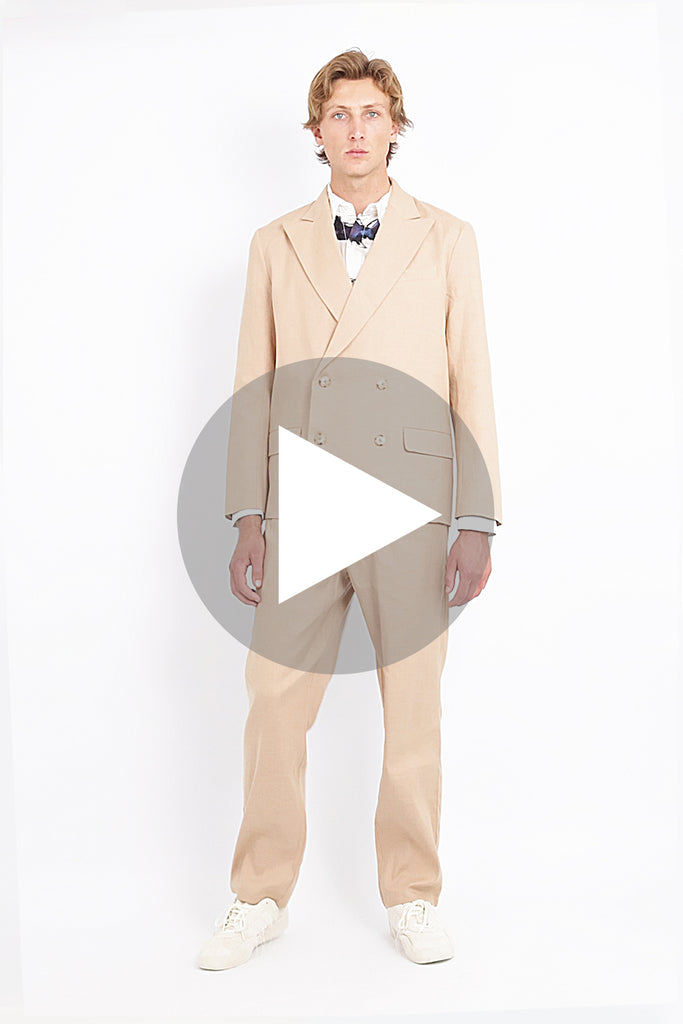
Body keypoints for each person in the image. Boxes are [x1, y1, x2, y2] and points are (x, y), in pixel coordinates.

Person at [197, 47, 502, 970]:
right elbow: (253, 381)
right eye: (339, 115)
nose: (356, 129)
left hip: (412, 504)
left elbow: (471, 378)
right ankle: (258, 896)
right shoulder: (275, 241)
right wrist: (246, 514)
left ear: (395, 127)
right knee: (272, 704)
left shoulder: (446, 238)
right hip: (303, 501)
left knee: (412, 711)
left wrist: (476, 519)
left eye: (372, 113)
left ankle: (412, 895)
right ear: (316, 132)